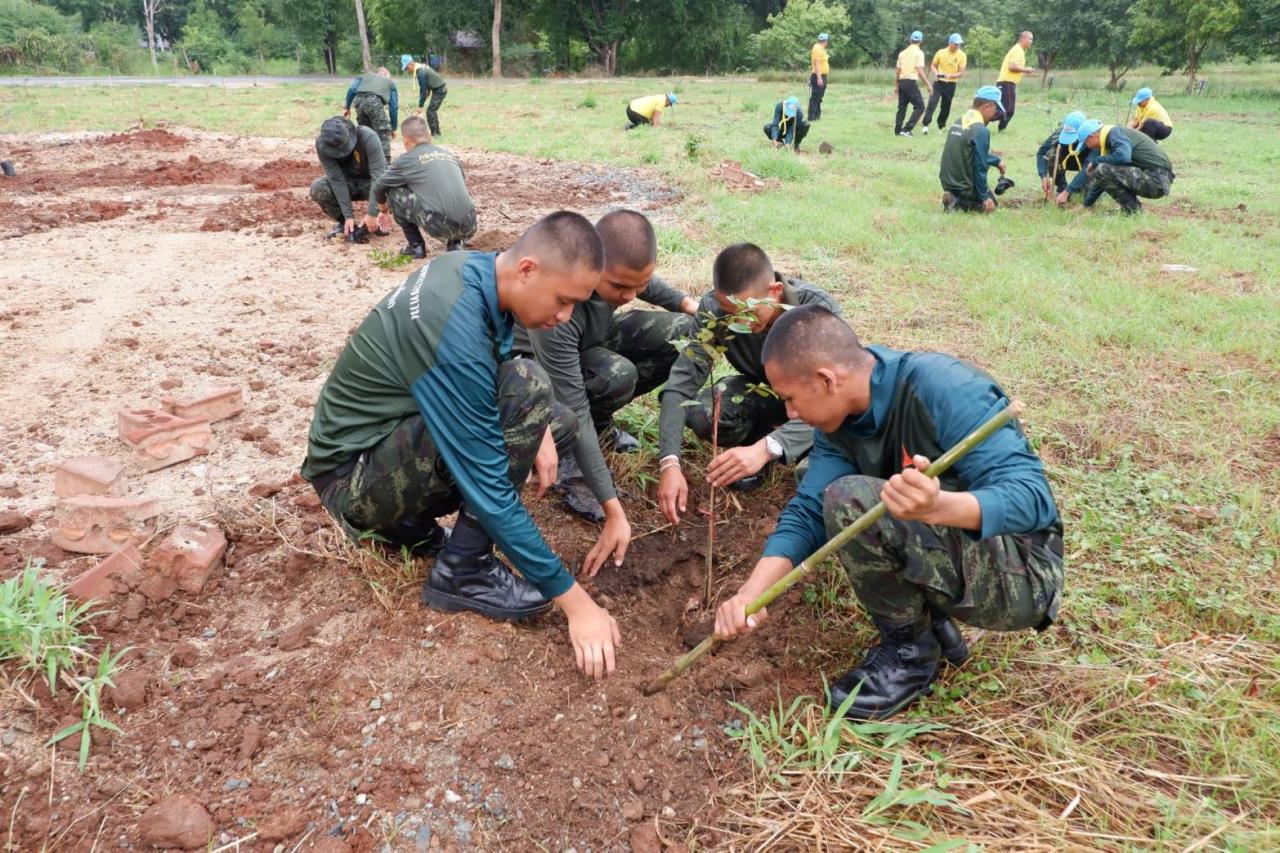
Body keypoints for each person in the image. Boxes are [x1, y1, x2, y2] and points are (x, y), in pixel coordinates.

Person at [302, 211, 625, 680]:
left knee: (552, 419)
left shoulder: (472, 271)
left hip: (382, 449)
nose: (564, 317)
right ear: (528, 269)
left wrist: (531, 428)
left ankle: (417, 533)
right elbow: (490, 486)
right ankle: (465, 571)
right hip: (352, 484)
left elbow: (493, 366)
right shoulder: (451, 324)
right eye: (563, 301)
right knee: (529, 389)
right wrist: (576, 603)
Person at [715, 305, 1063, 721]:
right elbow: (808, 510)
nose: (789, 414)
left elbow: (1033, 500)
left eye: (790, 398)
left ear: (827, 380)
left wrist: (940, 507)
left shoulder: (944, 389)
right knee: (826, 490)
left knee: (851, 500)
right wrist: (750, 594)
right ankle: (929, 629)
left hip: (1023, 576)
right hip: (962, 553)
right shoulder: (840, 422)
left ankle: (911, 658)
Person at [514, 211, 698, 546]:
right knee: (615, 377)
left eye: (637, 286)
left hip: (588, 343)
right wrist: (611, 505)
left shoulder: (618, 276)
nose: (630, 296)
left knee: (684, 334)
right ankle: (569, 458)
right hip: (537, 370)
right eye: (619, 286)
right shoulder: (559, 309)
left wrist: (690, 305)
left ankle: (601, 428)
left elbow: (639, 281)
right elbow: (575, 406)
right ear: (593, 264)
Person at [656, 243, 840, 521]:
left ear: (775, 291)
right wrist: (669, 462)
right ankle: (762, 439)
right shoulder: (715, 311)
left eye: (746, 312)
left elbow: (837, 397)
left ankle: (792, 445)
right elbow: (681, 383)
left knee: (818, 472)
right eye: (728, 311)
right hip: (764, 394)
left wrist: (769, 448)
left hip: (818, 405)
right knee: (705, 413)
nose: (736, 320)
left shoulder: (816, 311)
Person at [371, 116, 477, 259]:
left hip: (440, 225)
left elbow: (380, 185)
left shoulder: (405, 160)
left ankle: (416, 246)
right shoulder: (449, 155)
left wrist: (383, 211)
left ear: (405, 141)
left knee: (394, 189)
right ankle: (455, 243)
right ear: (429, 136)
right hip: (469, 225)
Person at [1070, 119, 1175, 214]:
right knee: (1102, 170)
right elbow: (1102, 179)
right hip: (1155, 180)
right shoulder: (1112, 137)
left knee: (1102, 168)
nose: (1088, 147)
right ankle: (1132, 210)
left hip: (1156, 181)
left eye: (1086, 143)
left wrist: (1095, 162)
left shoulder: (1115, 133)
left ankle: (1132, 210)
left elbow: (1123, 157)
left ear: (1091, 137)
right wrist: (1086, 204)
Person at [310, 116, 389, 243]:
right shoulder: (323, 145)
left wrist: (372, 213)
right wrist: (348, 216)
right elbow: (336, 179)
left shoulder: (368, 137)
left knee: (395, 187)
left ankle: (377, 221)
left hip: (371, 182)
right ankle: (346, 225)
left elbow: (379, 177)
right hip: (349, 183)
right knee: (318, 188)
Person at [939, 86, 1007, 212]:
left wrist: (996, 160)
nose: (995, 113)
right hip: (964, 187)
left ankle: (952, 195)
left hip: (947, 182)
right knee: (991, 207)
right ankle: (958, 202)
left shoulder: (958, 121)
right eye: (995, 108)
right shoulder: (980, 130)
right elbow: (980, 166)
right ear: (986, 107)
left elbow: (970, 151)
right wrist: (983, 197)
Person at [344, 67, 400, 162]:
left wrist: (347, 107)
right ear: (386, 74)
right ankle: (385, 164)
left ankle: (363, 161)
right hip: (374, 101)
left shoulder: (364, 77)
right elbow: (393, 107)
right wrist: (393, 128)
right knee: (383, 131)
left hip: (358, 101)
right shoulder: (390, 83)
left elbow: (352, 90)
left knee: (365, 132)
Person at [921, 33, 966, 135]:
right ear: (950, 43)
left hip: (951, 84)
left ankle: (941, 126)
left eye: (959, 44)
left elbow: (961, 73)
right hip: (938, 83)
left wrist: (949, 76)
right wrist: (937, 73)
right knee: (932, 103)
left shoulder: (962, 55)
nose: (958, 46)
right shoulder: (941, 52)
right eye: (956, 44)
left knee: (946, 106)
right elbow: (933, 65)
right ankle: (925, 125)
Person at [1036, 111, 1088, 198]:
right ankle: (1062, 186)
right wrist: (1043, 176)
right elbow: (1041, 153)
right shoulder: (1058, 133)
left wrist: (1070, 190)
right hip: (1066, 160)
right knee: (1051, 154)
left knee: (1087, 192)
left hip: (1085, 163)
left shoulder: (1090, 136)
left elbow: (1093, 162)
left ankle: (1084, 187)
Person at [995, 31, 1036, 132]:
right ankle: (988, 121)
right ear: (1023, 39)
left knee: (1003, 108)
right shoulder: (1018, 50)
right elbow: (1012, 66)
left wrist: (1024, 69)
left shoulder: (1019, 50)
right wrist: (1026, 70)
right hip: (1007, 83)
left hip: (1006, 83)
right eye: (1030, 39)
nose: (1031, 42)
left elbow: (1014, 66)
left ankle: (997, 126)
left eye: (1032, 39)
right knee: (1009, 109)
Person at [894, 31, 931, 137]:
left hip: (901, 82)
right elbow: (919, 70)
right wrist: (928, 84)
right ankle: (907, 129)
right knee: (920, 106)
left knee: (902, 107)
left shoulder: (902, 53)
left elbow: (898, 70)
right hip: (910, 82)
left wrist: (897, 85)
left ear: (910, 40)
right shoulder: (919, 53)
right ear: (921, 41)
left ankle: (898, 131)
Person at [402, 54, 449, 138]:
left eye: (406, 68)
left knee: (431, 111)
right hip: (436, 89)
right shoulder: (420, 68)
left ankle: (436, 134)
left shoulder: (420, 73)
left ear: (411, 64)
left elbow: (423, 91)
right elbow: (426, 90)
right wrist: (421, 104)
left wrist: (420, 106)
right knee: (430, 111)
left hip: (440, 90)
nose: (407, 70)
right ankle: (435, 133)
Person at [809, 33, 830, 121]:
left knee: (819, 97)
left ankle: (817, 115)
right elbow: (816, 64)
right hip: (819, 76)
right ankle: (812, 117)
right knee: (815, 96)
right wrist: (819, 78)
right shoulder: (817, 49)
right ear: (825, 41)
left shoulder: (821, 49)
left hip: (821, 75)